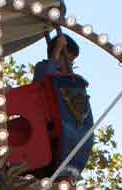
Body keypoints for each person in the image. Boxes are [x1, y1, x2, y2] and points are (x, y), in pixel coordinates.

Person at [33, 33, 94, 175]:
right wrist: (57, 50)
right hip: (43, 122)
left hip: (60, 126)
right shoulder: (43, 67)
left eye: (72, 62)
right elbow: (48, 75)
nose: (69, 65)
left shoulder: (69, 81)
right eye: (67, 60)